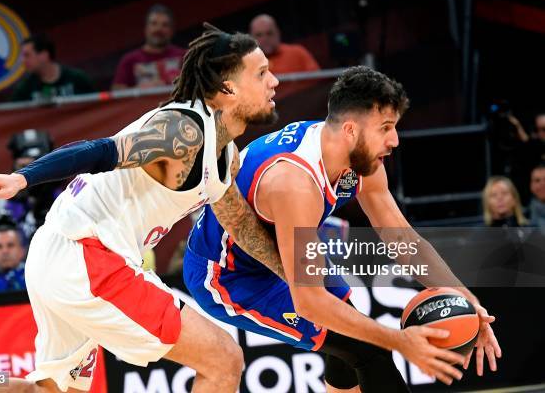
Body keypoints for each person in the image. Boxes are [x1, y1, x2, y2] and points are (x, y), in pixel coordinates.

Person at [0, 24, 280, 393]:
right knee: (223, 358)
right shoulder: (184, 130)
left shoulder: (226, 157)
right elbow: (101, 151)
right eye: (261, 73)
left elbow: (240, 223)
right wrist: (23, 177)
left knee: (50, 390)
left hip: (62, 252)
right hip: (87, 254)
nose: (274, 81)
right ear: (228, 88)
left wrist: (292, 276)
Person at [184, 66, 501, 392]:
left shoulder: (359, 157)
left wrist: (469, 301)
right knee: (368, 348)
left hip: (284, 249)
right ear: (350, 129)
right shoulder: (295, 182)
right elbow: (309, 303)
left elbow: (403, 239)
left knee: (347, 347)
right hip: (230, 275)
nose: (394, 140)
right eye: (386, 128)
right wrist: (399, 341)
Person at [112, 4, 186, 90]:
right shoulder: (129, 60)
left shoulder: (185, 56)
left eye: (165, 25)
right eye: (154, 24)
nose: (159, 29)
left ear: (172, 30)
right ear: (146, 28)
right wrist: (140, 89)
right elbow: (117, 92)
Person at [11, 35, 95, 102]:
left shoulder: (77, 78)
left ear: (44, 55)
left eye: (27, 55)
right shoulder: (25, 89)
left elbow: (96, 107)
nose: (23, 61)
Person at [249, 14, 320, 74]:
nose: (264, 39)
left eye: (269, 33)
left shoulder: (297, 52)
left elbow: (318, 80)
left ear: (278, 33)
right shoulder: (245, 64)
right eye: (259, 35)